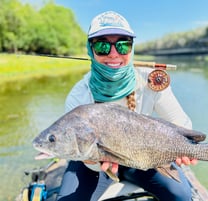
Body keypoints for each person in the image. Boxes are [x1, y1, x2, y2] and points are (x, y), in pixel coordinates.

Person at [57, 11, 197, 201]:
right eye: (102, 45)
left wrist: (186, 150)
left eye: (123, 45)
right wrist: (93, 161)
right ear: (90, 49)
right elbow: (81, 153)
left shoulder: (151, 81)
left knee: (181, 196)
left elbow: (181, 125)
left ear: (131, 49)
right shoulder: (78, 96)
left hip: (146, 157)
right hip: (93, 164)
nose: (114, 54)